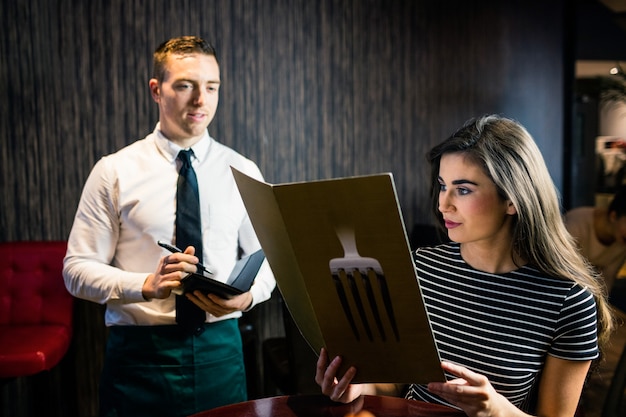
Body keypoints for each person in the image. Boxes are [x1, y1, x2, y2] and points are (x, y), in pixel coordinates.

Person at [315, 115, 614, 417]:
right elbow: (394, 385)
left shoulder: (568, 301)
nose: (443, 204)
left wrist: (497, 410)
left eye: (464, 189)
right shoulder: (422, 268)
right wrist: (358, 387)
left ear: (512, 199)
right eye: (443, 186)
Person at [63, 36, 276, 417]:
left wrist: (249, 296)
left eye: (211, 87)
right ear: (156, 90)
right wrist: (146, 284)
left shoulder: (243, 171)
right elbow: (75, 270)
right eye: (185, 85)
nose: (201, 100)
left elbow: (271, 260)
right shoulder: (114, 170)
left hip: (221, 352)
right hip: (138, 357)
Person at [564, 185, 626, 295]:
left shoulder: (621, 241)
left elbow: (607, 280)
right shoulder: (576, 223)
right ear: (613, 216)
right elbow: (561, 270)